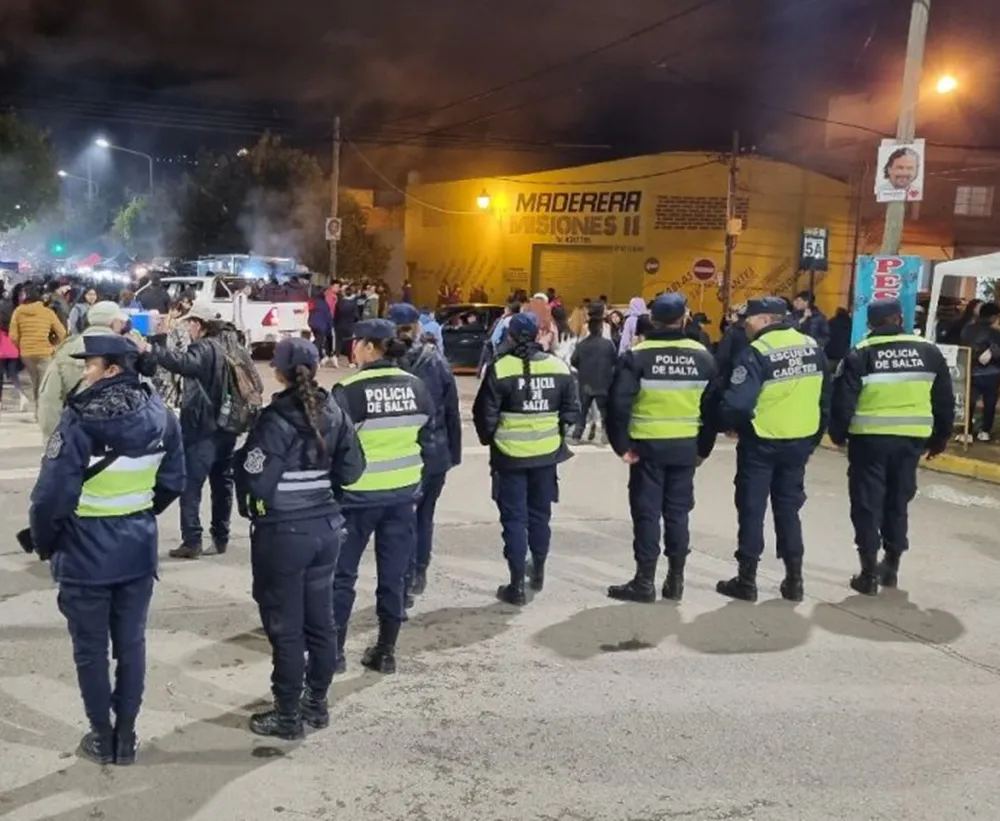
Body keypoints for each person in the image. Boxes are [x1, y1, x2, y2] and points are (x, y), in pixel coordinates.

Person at [28, 334, 185, 765]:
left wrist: (45, 543)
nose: (84, 372)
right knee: (131, 644)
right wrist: (136, 512)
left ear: (113, 369)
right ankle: (127, 737)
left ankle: (102, 736)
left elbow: (49, 499)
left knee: (91, 650)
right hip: (136, 551)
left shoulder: (78, 420)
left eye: (90, 364)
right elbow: (173, 481)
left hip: (83, 557)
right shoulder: (162, 414)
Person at [233, 338, 365, 738]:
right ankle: (316, 705)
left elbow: (257, 482)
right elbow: (354, 470)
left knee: (286, 627)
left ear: (280, 372)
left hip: (285, 535)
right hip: (326, 530)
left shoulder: (276, 419)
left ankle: (288, 715)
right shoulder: (334, 412)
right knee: (321, 623)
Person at [829, 298, 954, 595]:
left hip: (869, 441)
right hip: (911, 441)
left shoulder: (861, 353)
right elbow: (944, 400)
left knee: (867, 503)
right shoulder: (929, 351)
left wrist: (838, 433)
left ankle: (868, 572)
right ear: (899, 318)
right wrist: (940, 438)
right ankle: (892, 565)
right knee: (898, 501)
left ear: (871, 324)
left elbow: (844, 399)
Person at [331, 319, 434, 674]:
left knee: (341, 576)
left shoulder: (348, 389)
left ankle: (334, 653)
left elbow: (332, 446)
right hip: (402, 496)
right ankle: (386, 652)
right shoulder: (416, 386)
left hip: (357, 498)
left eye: (356, 342)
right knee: (394, 576)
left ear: (370, 347)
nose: (352, 348)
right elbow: (428, 435)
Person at [605, 294, 720, 602]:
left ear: (652, 320)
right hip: (685, 448)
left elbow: (618, 404)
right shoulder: (704, 356)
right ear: (684, 319)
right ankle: (676, 580)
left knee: (647, 514)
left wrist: (621, 445)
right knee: (678, 514)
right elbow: (712, 410)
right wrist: (703, 449)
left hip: (647, 449)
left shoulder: (637, 355)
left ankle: (644, 582)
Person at [716, 296, 831, 602]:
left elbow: (738, 403)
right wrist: (813, 440)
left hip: (761, 443)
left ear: (766, 320)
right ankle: (794, 580)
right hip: (798, 443)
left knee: (752, 509)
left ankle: (747, 580)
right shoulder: (812, 347)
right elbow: (825, 399)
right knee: (789, 510)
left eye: (749, 320)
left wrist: (730, 424)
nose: (745, 325)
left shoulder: (756, 353)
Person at [472, 311, 579, 605]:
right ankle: (539, 571)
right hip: (546, 458)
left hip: (509, 459)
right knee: (540, 516)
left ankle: (516, 585)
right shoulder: (559, 367)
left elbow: (484, 416)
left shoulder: (500, 368)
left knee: (515, 520)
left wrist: (491, 440)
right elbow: (572, 412)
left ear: (509, 337)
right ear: (537, 335)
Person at [148, 302, 237, 559]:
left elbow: (184, 363)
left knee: (190, 485)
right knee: (222, 483)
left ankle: (192, 541)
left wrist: (152, 350)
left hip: (203, 427)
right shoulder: (232, 344)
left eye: (189, 323)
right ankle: (221, 537)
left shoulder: (204, 347)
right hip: (228, 425)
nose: (187, 328)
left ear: (198, 324)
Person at [389, 303, 462, 600]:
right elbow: (452, 412)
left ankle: (403, 581)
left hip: (399, 455)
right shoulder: (436, 360)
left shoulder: (387, 363)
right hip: (433, 452)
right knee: (424, 516)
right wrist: (453, 453)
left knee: (400, 520)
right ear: (418, 325)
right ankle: (418, 570)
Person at [37, 301, 130, 439]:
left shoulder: (67, 349)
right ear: (114, 322)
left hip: (77, 434)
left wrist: (54, 439)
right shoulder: (128, 349)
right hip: (118, 436)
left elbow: (49, 399)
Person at [9, 283, 66, 418]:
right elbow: (62, 333)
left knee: (35, 382)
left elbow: (13, 336)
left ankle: (38, 410)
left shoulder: (18, 311)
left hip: (27, 354)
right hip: (45, 352)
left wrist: (21, 345)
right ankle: (42, 412)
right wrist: (54, 347)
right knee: (44, 383)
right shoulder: (48, 312)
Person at [569, 310, 617, 445]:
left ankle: (577, 435)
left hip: (585, 382)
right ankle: (606, 436)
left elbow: (573, 360)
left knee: (583, 411)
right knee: (604, 411)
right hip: (603, 382)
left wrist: (583, 369)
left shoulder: (581, 345)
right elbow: (614, 361)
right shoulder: (608, 345)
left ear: (588, 329)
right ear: (601, 328)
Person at [960, 303, 1000, 441]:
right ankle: (985, 431)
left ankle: (967, 431)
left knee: (969, 401)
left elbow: (963, 347)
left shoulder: (967, 330)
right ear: (994, 316)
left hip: (971, 371)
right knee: (990, 403)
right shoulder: (996, 333)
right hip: (992, 373)